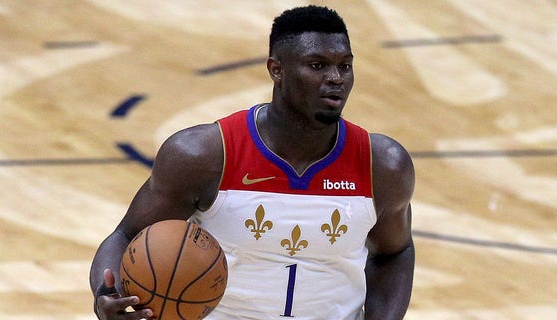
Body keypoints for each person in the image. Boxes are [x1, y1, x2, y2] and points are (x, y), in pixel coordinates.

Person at [90, 5, 415, 320]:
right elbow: (126, 236)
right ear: (277, 69)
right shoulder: (204, 155)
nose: (336, 78)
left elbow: (394, 253)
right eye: (317, 65)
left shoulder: (383, 166)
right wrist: (108, 296)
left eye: (345, 65)